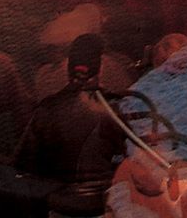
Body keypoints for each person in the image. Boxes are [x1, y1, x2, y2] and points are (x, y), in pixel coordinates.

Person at [14, 34, 123, 214]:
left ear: (68, 68)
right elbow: (132, 160)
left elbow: (24, 163)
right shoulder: (116, 108)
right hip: (107, 207)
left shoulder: (48, 109)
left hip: (62, 207)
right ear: (100, 68)